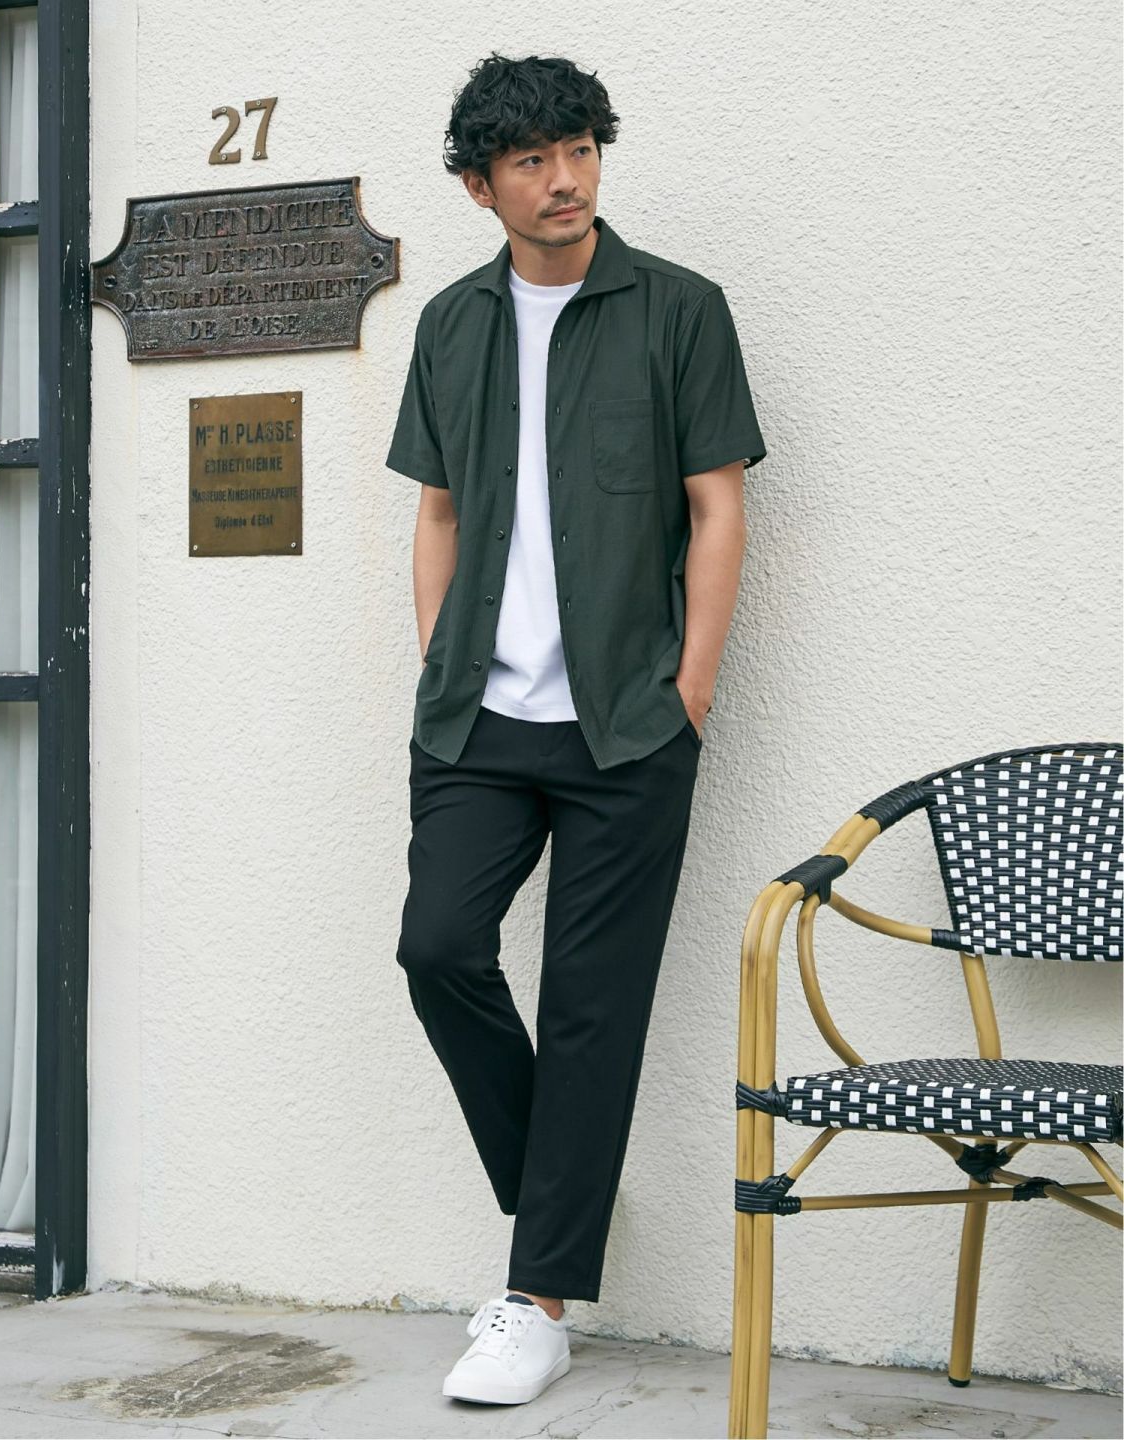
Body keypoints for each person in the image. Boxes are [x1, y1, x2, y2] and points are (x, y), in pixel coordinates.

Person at [385, 50, 767, 1406]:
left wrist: (691, 686)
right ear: (480, 186)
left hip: (626, 725)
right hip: (477, 720)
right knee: (438, 948)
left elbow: (718, 504)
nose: (565, 181)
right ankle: (566, 1193)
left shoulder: (679, 310)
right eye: (533, 161)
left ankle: (537, 1301)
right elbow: (438, 510)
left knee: (593, 1009)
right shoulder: (450, 325)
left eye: (581, 151)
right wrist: (441, 664)